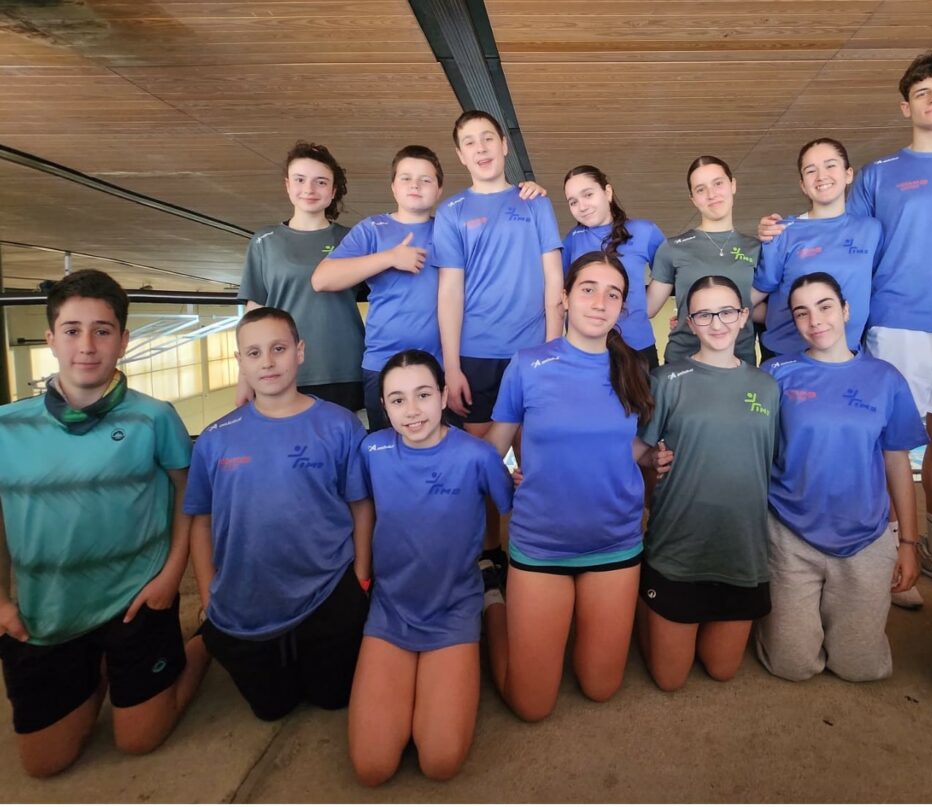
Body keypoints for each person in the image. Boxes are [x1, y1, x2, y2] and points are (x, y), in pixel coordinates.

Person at [760, 48, 932, 597]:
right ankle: (889, 552)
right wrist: (782, 228)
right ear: (905, 106)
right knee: (884, 442)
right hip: (896, 320)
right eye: (922, 92)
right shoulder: (880, 175)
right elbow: (837, 228)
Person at [0, 269, 208, 777]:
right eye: (72, 330)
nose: (87, 346)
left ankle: (202, 644)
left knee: (140, 741)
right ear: (50, 339)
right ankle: (91, 673)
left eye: (103, 330)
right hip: (46, 615)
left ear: (123, 340)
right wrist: (1, 601)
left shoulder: (154, 417)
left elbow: (189, 496)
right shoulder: (7, 425)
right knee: (45, 764)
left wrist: (170, 578)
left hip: (136, 605)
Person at [482, 251, 656, 722]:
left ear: (622, 307)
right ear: (564, 297)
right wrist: (508, 494)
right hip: (542, 546)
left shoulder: (633, 370)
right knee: (531, 705)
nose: (600, 302)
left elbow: (629, 446)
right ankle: (492, 602)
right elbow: (494, 448)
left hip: (614, 545)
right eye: (588, 289)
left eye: (613, 293)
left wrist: (655, 456)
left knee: (600, 688)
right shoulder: (528, 364)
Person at [185, 307, 370, 721]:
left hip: (328, 592)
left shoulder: (339, 426)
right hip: (246, 603)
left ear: (300, 352)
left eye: (278, 348)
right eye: (253, 353)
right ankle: (210, 640)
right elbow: (201, 519)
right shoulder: (215, 440)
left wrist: (360, 577)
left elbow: (361, 506)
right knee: (273, 709)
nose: (267, 362)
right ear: (239, 361)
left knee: (332, 698)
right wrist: (208, 591)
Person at [348, 350, 513, 785]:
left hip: (453, 605)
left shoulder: (477, 456)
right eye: (398, 400)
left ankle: (491, 598)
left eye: (423, 395)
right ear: (383, 406)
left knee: (440, 762)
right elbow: (361, 509)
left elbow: (512, 505)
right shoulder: (372, 450)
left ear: (443, 396)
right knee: (372, 767)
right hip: (392, 608)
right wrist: (361, 573)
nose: (412, 410)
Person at [755, 272, 924, 683]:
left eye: (825, 306)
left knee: (861, 668)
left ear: (846, 310)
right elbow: (750, 445)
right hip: (790, 530)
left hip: (864, 534)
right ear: (793, 321)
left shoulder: (885, 378)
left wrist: (908, 543)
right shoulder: (776, 373)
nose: (816, 320)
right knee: (791, 665)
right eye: (802, 312)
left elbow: (897, 461)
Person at [433, 109, 562, 575]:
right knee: (481, 463)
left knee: (537, 458)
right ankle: (490, 551)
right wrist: (450, 367)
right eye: (470, 141)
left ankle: (537, 541)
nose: (482, 147)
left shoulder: (535, 203)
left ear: (505, 145)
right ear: (460, 154)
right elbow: (450, 290)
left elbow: (554, 280)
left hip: (530, 353)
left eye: (489, 138)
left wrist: (553, 350)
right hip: (474, 357)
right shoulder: (451, 212)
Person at [636, 276, 777, 691]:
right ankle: (643, 604)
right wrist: (651, 461)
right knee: (670, 679)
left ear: (743, 318)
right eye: (704, 314)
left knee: (721, 669)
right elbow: (635, 452)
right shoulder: (666, 379)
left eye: (726, 312)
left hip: (741, 550)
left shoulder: (767, 386)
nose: (717, 323)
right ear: (687, 323)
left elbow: (776, 461)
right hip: (678, 546)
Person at [311, 145, 445, 432]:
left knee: (439, 450)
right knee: (386, 450)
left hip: (440, 364)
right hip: (382, 362)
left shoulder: (449, 229)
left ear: (439, 190)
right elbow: (322, 279)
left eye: (425, 179)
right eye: (406, 178)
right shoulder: (373, 228)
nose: (415, 185)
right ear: (394, 187)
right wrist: (390, 258)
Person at [237, 141, 365, 411]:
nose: (309, 189)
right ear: (287, 185)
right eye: (300, 179)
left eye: (320, 182)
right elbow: (254, 314)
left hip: (344, 366)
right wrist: (245, 376)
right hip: (283, 368)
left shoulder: (353, 239)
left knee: (345, 448)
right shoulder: (265, 241)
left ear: (333, 191)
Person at [750, 138, 881, 362]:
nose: (821, 176)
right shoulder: (782, 232)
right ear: (802, 184)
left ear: (848, 174)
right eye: (811, 171)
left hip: (847, 356)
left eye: (830, 165)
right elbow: (755, 295)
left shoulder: (871, 230)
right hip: (787, 356)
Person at [649, 156, 760, 366]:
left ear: (733, 185)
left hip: (739, 362)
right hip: (683, 363)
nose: (711, 194)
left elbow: (758, 308)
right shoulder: (673, 247)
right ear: (692, 198)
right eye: (701, 189)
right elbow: (648, 308)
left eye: (718, 183)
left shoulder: (756, 248)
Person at [563, 165, 666, 367]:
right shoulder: (571, 240)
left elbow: (669, 271)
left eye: (588, 194)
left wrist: (647, 308)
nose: (582, 206)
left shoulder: (645, 231)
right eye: (573, 202)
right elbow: (562, 293)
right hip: (586, 350)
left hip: (636, 346)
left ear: (607, 192)